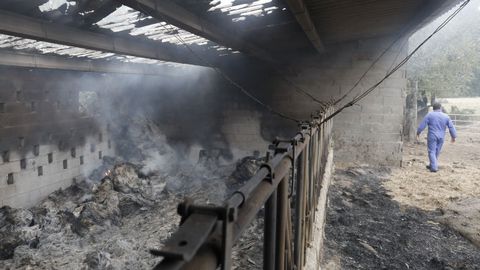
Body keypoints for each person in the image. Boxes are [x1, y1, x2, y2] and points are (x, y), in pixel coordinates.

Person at [417, 102, 457, 172]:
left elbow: (422, 125)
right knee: (437, 151)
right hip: (441, 136)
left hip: (432, 135)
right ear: (440, 108)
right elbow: (451, 127)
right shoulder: (446, 116)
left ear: (433, 108)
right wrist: (453, 136)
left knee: (432, 151)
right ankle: (432, 164)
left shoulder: (429, 115)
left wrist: (418, 132)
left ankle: (434, 168)